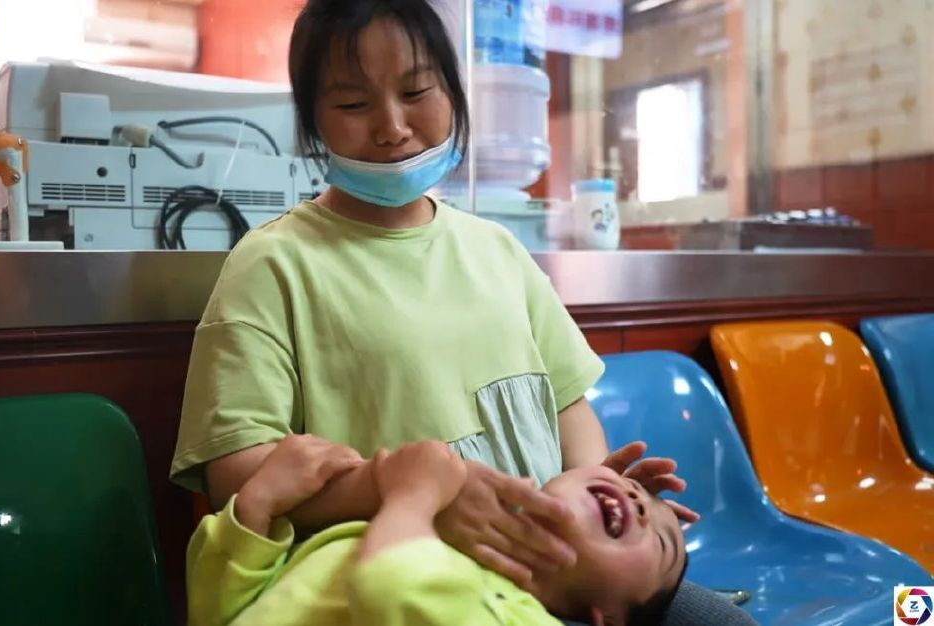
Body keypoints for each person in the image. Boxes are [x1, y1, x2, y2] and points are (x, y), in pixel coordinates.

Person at [170, 1, 755, 623]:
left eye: (416, 90)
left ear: (454, 91)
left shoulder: (496, 249)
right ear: (311, 121)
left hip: (545, 579)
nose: (392, 126)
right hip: (389, 591)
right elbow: (235, 476)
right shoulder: (271, 265)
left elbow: (566, 403)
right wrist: (411, 494)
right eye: (352, 104)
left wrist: (589, 496)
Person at [187, 437, 689, 626]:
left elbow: (393, 587)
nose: (643, 505)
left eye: (662, 543)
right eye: (642, 496)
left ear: (607, 621)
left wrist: (411, 494)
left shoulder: (514, 618)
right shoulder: (424, 539)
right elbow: (224, 614)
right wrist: (257, 505)